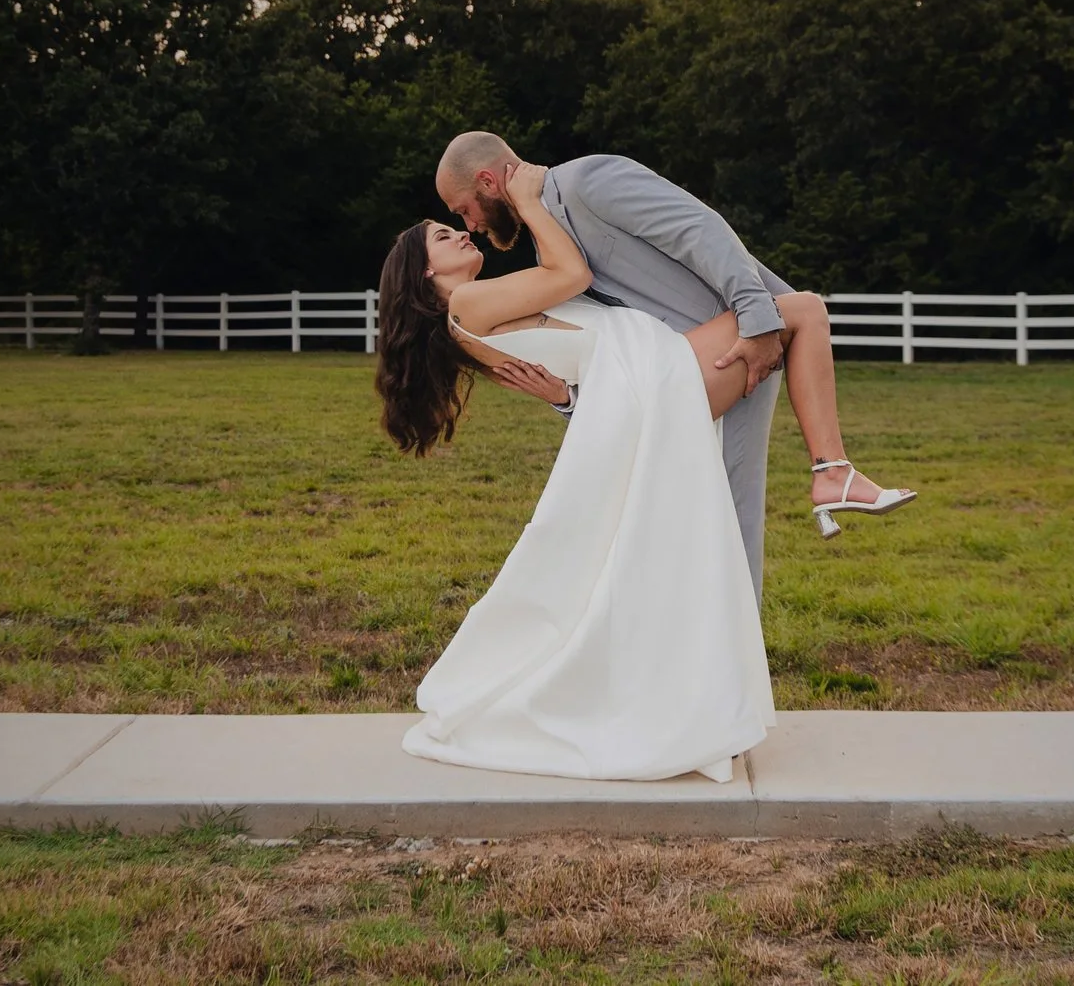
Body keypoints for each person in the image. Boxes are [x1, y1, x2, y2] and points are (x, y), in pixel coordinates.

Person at [374, 152, 913, 783]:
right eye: (445, 233)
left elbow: (565, 360)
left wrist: (566, 397)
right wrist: (526, 203)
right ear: (426, 270)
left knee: (676, 556)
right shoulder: (466, 302)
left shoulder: (470, 312)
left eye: (458, 215)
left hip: (634, 386)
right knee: (800, 310)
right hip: (654, 377)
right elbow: (570, 273)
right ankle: (831, 471)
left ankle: (829, 477)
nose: (462, 228)